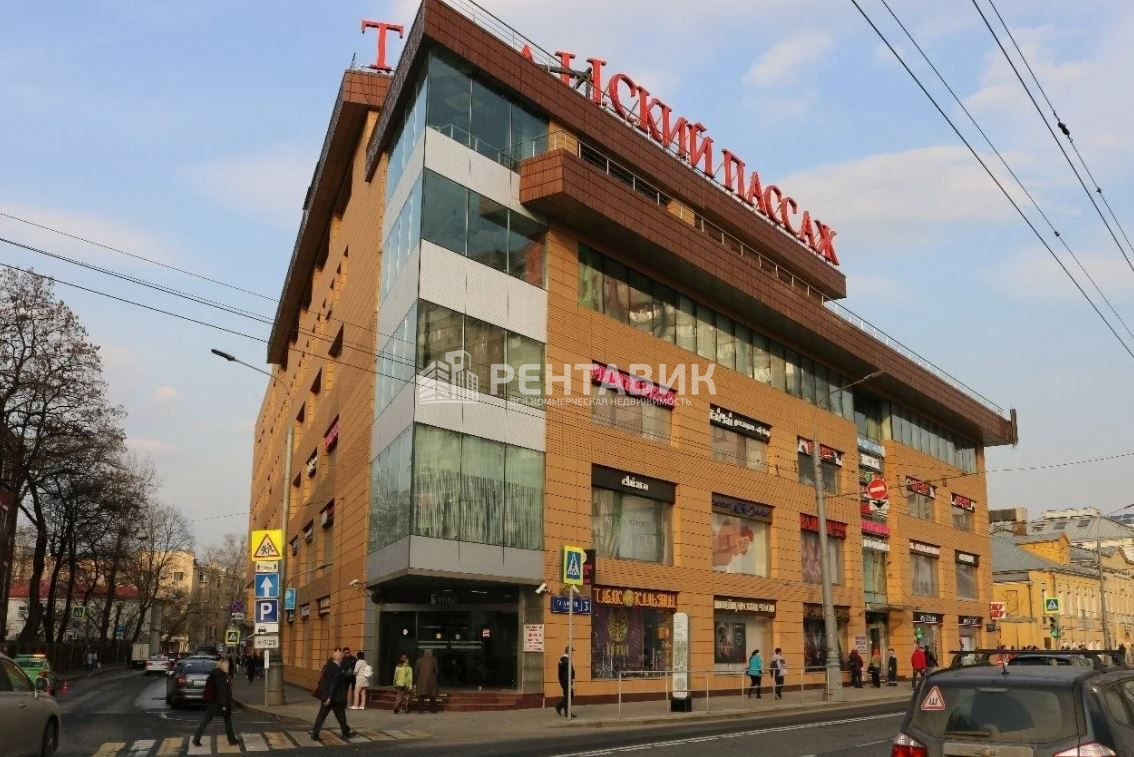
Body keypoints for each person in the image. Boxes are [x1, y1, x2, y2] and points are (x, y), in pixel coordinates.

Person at [193, 659, 240, 747]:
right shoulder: (222, 676)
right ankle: (231, 740)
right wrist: (224, 706)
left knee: (206, 721)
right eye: (226, 665)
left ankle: (196, 739)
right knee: (226, 720)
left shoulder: (215, 674)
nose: (228, 667)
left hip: (213, 703)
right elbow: (222, 692)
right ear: (222, 666)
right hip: (219, 704)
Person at [312, 648, 354, 742]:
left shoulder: (328, 666)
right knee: (341, 717)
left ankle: (314, 734)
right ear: (339, 659)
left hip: (326, 696)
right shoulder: (337, 669)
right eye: (342, 657)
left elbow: (325, 681)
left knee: (321, 716)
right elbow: (333, 684)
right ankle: (345, 733)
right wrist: (330, 698)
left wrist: (326, 696)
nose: (342, 659)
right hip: (334, 698)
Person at [413, 648, 440, 713]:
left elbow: (416, 672)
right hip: (431, 681)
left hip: (421, 681)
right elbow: (437, 672)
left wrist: (414, 681)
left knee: (421, 696)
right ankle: (433, 710)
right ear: (430, 654)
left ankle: (420, 710)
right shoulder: (434, 660)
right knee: (432, 696)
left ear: (424, 654)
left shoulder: (419, 660)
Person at [555, 647, 576, 718]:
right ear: (568, 652)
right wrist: (569, 683)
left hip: (563, 681)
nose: (572, 653)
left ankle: (567, 713)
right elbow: (567, 673)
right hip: (566, 681)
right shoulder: (566, 660)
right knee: (570, 696)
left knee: (567, 696)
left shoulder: (563, 659)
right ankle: (559, 706)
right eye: (572, 651)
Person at [341, 647, 357, 711]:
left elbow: (356, 667)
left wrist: (352, 671)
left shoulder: (353, 658)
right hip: (345, 677)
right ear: (344, 653)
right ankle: (344, 705)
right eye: (346, 652)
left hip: (353, 677)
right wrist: (344, 672)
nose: (347, 653)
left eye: (348, 652)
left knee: (354, 690)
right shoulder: (342, 659)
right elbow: (341, 668)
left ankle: (353, 704)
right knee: (345, 691)